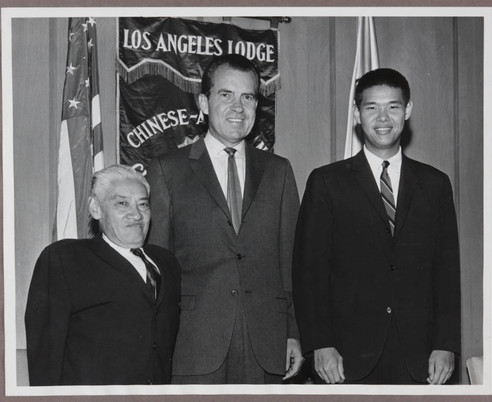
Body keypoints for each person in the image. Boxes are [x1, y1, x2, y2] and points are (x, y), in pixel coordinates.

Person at [293, 68, 461, 385]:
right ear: (357, 114)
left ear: (407, 110)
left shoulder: (435, 184)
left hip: (421, 359)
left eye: (393, 106)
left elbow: (447, 272)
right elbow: (309, 272)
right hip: (345, 358)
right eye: (372, 107)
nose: (383, 118)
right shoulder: (327, 182)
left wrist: (446, 344)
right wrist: (320, 343)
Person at [147, 54, 303, 384]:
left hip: (266, 344)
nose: (238, 107)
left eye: (248, 97)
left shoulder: (279, 172)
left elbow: (291, 262)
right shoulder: (167, 170)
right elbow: (157, 270)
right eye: (225, 95)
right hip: (193, 343)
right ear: (204, 103)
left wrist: (293, 332)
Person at [25, 164, 181, 385]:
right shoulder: (65, 259)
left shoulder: (166, 262)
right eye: (122, 203)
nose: (136, 214)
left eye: (143, 204)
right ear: (96, 208)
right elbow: (45, 353)